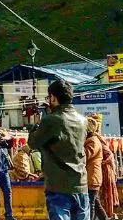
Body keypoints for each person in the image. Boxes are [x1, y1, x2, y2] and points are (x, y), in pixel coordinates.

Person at [27, 80, 88, 220]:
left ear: (53, 98)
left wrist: (36, 125)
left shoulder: (51, 121)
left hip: (58, 186)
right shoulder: (83, 120)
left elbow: (33, 144)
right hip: (81, 183)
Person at [83, 115, 108, 220]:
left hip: (92, 176)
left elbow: (85, 155)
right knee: (95, 204)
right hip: (92, 176)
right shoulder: (92, 140)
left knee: (90, 204)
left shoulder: (92, 141)